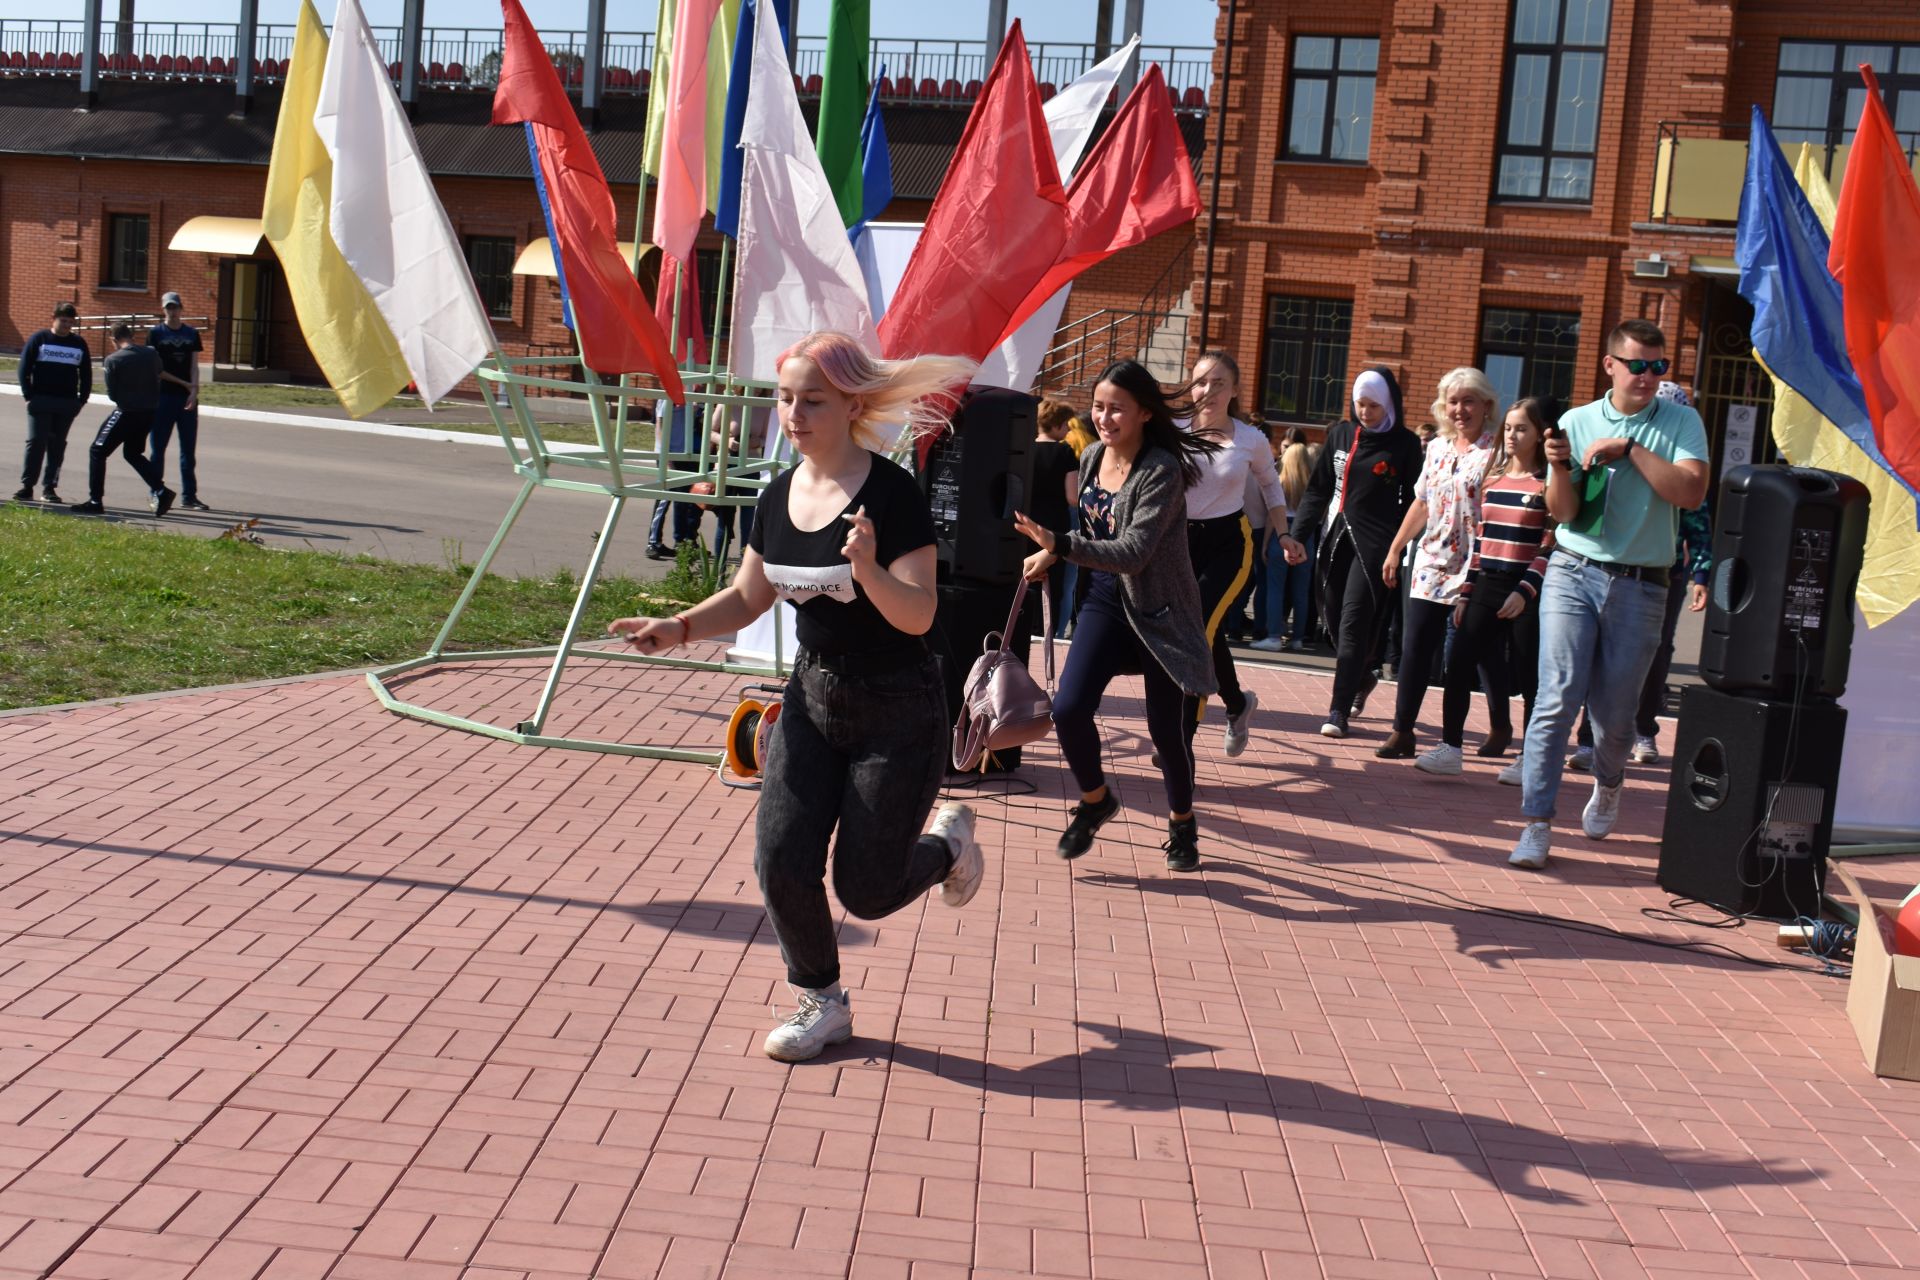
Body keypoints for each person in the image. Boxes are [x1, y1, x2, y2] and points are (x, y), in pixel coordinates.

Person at [609, 333, 980, 1063]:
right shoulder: (779, 494)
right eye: (785, 398)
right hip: (812, 698)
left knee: (867, 890)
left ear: (852, 404)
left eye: (812, 400)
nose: (794, 414)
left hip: (898, 708)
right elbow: (750, 596)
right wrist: (678, 627)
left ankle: (947, 848)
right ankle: (823, 1000)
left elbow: (921, 615)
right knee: (780, 859)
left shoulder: (891, 494)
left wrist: (870, 569)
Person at [1510, 320, 1709, 870]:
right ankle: (1536, 823)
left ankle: (1610, 779)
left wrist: (1632, 450)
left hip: (1644, 583)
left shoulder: (1681, 420)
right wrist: (1557, 467)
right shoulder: (1576, 422)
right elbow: (1564, 512)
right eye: (1637, 365)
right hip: (1574, 570)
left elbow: (1691, 493)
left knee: (1614, 716)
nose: (1647, 377)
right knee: (1556, 696)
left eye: (1657, 367)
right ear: (1610, 366)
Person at [1013, 359, 1221, 872]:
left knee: (1166, 731)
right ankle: (1095, 799)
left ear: (1145, 413)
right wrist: (1054, 555)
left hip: (1159, 610)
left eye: (1117, 409)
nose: (1104, 418)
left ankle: (1182, 823)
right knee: (1066, 708)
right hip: (1104, 600)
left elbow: (1132, 551)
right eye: (1099, 407)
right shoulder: (1090, 461)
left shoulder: (1162, 471)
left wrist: (1058, 544)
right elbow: (1098, 542)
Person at [1414, 397, 1556, 778]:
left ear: (1538, 434)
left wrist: (1525, 591)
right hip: (1487, 584)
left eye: (1521, 428)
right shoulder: (1493, 480)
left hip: (1527, 591)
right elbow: (1481, 541)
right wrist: (1466, 592)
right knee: (1458, 663)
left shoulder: (1548, 483)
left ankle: (1531, 757)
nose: (1512, 435)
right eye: (1508, 427)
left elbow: (1550, 544)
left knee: (1529, 677)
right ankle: (1451, 748)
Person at [1280, 368, 1422, 739]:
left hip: (1376, 548)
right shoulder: (1341, 434)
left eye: (1374, 405)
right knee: (1330, 620)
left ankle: (1338, 710)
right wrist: (1297, 537)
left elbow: (1416, 501)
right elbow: (1317, 490)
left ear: (1388, 403)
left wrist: (1399, 548)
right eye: (1361, 403)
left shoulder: (1405, 444)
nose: (1366, 411)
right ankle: (1362, 675)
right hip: (1335, 540)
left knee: (1354, 624)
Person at [1376, 369, 1500, 758]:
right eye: (1453, 401)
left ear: (1485, 406)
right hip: (1431, 560)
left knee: (1472, 653)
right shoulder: (1438, 447)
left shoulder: (1495, 450)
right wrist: (1396, 548)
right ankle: (1403, 731)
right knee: (1414, 648)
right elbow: (1423, 502)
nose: (1459, 409)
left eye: (1468, 401)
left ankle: (1497, 726)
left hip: (1475, 565)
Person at [1180, 350, 1287, 757]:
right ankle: (1238, 704)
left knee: (1197, 630)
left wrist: (1284, 534)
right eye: (1200, 381)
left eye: (1218, 383)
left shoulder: (1249, 439)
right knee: (1206, 633)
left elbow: (1272, 487)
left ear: (1235, 390)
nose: (1207, 390)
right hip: (1178, 546)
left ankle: (1182, 738)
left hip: (1229, 545)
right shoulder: (1173, 429)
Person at [1569, 488, 1712, 770]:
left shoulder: (1676, 456)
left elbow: (1698, 517)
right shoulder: (1605, 453)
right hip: (1602, 567)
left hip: (1660, 573)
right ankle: (1588, 740)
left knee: (1655, 651)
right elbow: (1586, 510)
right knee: (1597, 650)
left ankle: (1644, 730)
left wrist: (1701, 574)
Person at [70, 323, 172, 516]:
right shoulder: (151, 354)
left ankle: (95, 500)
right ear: (131, 335)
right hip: (149, 412)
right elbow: (158, 375)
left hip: (126, 411)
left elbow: (113, 394)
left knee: (97, 451)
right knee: (133, 454)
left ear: (113, 339)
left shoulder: (113, 360)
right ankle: (161, 490)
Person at [13, 301, 92, 505]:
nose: (66, 325)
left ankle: (49, 487)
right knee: (36, 442)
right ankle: (27, 486)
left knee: (57, 446)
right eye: (63, 320)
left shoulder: (79, 343)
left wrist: (81, 401)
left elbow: (86, 374)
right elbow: (24, 369)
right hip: (40, 400)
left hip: (66, 403)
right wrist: (28, 396)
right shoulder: (39, 339)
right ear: (53, 319)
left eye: (70, 322)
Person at [1253, 430, 1316, 651]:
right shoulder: (1311, 483)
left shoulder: (1279, 481)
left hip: (1281, 534)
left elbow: (1272, 515)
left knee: (1275, 587)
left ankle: (1273, 636)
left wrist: (1265, 544)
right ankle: (1298, 637)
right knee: (1301, 589)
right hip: (1305, 535)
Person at [147, 292, 209, 512]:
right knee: (158, 449)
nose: (172, 312)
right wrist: (185, 384)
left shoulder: (191, 333)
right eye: (168, 308)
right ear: (163, 310)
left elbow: (194, 364)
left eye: (175, 307)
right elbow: (156, 369)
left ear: (181, 309)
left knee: (188, 450)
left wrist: (193, 390)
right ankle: (156, 492)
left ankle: (189, 495)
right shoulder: (155, 334)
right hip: (163, 397)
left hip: (186, 398)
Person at [1029, 399, 1082, 640]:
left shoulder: (1024, 448)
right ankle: (1052, 634)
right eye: (1066, 426)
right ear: (1058, 425)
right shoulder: (1064, 452)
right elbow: (1073, 497)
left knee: (1026, 579)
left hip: (1026, 525)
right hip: (1054, 528)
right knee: (1054, 586)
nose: (1069, 430)